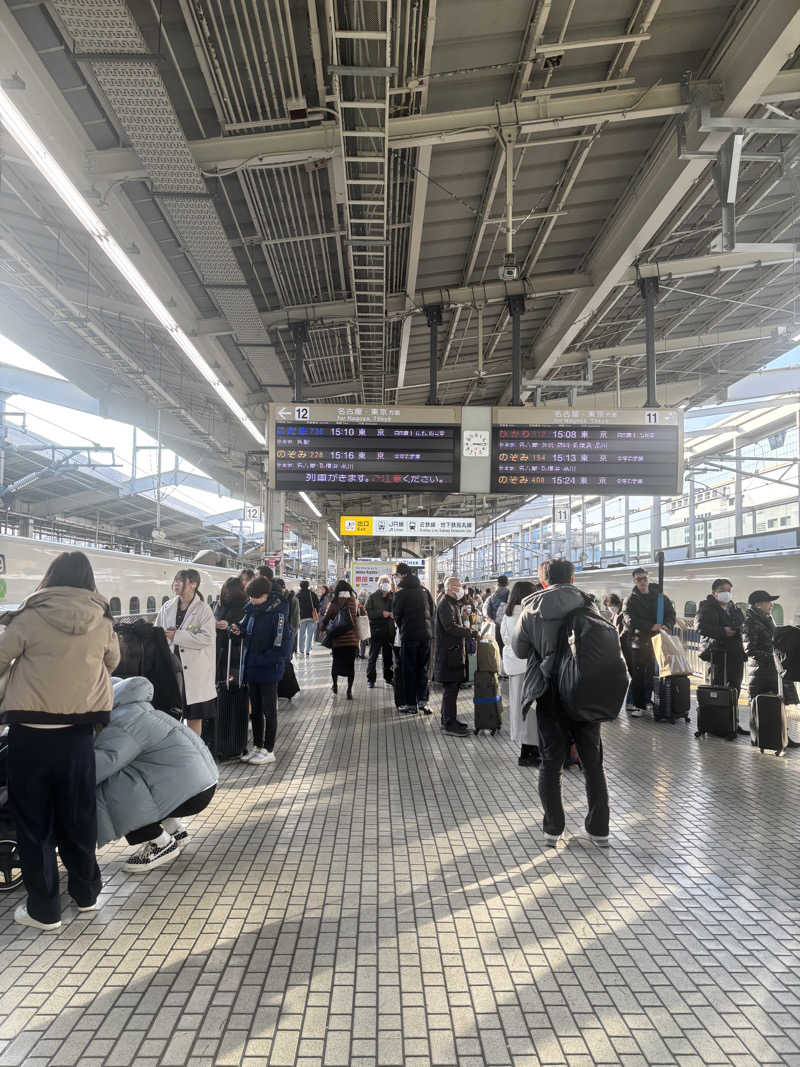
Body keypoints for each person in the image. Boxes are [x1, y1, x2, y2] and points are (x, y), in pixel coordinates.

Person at [0, 551, 120, 931]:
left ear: (51, 576)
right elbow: (113, 661)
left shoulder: (29, 616)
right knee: (78, 816)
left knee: (34, 824)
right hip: (78, 738)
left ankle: (45, 910)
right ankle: (86, 896)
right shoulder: (102, 620)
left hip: (30, 738)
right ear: (88, 579)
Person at [512, 558, 610, 847]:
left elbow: (518, 650)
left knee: (551, 762)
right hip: (584, 690)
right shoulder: (590, 605)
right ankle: (599, 829)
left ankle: (553, 829)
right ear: (572, 577)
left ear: (543, 580)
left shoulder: (532, 608)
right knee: (593, 763)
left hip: (550, 690)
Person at [96, 677, 218, 871]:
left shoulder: (124, 721)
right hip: (203, 785)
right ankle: (174, 829)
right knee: (139, 775)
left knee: (110, 788)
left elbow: (100, 764)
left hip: (189, 793)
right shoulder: (140, 711)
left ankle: (160, 843)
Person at [234, 576, 293, 764]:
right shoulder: (252, 611)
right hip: (252, 667)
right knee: (256, 710)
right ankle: (257, 746)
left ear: (266, 595)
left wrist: (261, 659)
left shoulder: (279, 614)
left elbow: (281, 646)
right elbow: (246, 630)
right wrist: (236, 630)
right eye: (250, 597)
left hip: (269, 668)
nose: (251, 600)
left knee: (269, 710)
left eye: (255, 597)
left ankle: (269, 750)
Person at [156, 569, 217, 736]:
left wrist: (177, 636)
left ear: (193, 584)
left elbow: (207, 638)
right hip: (171, 668)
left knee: (194, 716)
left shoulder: (203, 610)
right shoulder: (167, 606)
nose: (176, 583)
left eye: (181, 581)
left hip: (194, 672)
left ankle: (195, 753)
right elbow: (157, 630)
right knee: (172, 713)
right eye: (175, 580)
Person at [622, 567, 675, 717]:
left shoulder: (660, 597)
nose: (643, 582)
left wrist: (667, 625)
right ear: (634, 581)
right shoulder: (630, 600)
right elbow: (629, 619)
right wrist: (650, 626)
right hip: (638, 642)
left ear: (648, 578)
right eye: (639, 579)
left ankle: (646, 701)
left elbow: (670, 613)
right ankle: (638, 705)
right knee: (639, 674)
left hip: (657, 640)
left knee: (652, 673)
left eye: (644, 578)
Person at [501, 580, 540, 765]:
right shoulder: (528, 614)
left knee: (518, 707)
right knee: (531, 708)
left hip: (514, 665)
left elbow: (503, 637)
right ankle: (529, 752)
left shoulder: (508, 614)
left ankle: (526, 749)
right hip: (527, 665)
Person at [433, 576, 475, 736]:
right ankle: (448, 724)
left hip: (453, 652)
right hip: (448, 654)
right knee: (450, 689)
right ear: (450, 588)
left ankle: (450, 719)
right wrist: (468, 632)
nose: (461, 590)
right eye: (458, 587)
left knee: (453, 689)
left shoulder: (451, 604)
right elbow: (450, 627)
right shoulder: (445, 604)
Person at [743, 591, 799, 706]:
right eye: (768, 602)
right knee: (762, 707)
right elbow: (750, 650)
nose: (771, 605)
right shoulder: (750, 623)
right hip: (761, 674)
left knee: (776, 706)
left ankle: (778, 724)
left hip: (771, 672)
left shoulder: (767, 619)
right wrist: (774, 658)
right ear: (758, 604)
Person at [392, 562, 435, 715]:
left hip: (409, 636)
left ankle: (411, 704)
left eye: (396, 575)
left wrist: (404, 627)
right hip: (426, 636)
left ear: (402, 575)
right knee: (423, 669)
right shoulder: (424, 590)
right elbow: (432, 610)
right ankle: (423, 701)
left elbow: (397, 615)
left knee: (408, 670)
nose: (396, 578)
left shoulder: (401, 592)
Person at [696, 578, 746, 703]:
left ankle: (732, 720)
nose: (726, 593)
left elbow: (743, 625)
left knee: (735, 688)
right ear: (714, 593)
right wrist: (723, 631)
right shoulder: (706, 607)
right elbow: (700, 627)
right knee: (717, 689)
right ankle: (718, 720)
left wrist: (738, 629)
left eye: (729, 590)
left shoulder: (734, 609)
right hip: (717, 655)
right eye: (722, 590)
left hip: (735, 655)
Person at [323, 581, 360, 698]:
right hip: (352, 641)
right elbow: (360, 615)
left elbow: (326, 618)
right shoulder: (354, 601)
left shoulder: (334, 602)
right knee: (350, 666)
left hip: (338, 641)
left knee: (336, 664)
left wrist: (323, 627)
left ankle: (335, 685)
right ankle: (349, 690)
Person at [603, 592, 634, 710]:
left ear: (616, 603)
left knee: (632, 675)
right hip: (619, 650)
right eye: (607, 606)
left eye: (610, 605)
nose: (609, 608)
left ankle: (631, 702)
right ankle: (630, 702)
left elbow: (623, 632)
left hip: (626, 648)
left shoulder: (622, 615)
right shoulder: (614, 615)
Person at [214, 576, 247, 683]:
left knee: (230, 680)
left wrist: (228, 625)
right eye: (225, 590)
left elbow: (242, 627)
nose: (226, 594)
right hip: (217, 647)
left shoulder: (244, 607)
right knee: (217, 678)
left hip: (233, 651)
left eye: (229, 591)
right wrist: (215, 624)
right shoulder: (218, 604)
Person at [366, 576, 395, 688]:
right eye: (384, 582)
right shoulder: (373, 597)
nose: (386, 584)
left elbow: (398, 609)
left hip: (389, 631)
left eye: (387, 582)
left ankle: (388, 678)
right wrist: (381, 613)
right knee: (373, 656)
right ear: (379, 585)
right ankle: (371, 679)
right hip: (376, 630)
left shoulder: (393, 597)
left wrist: (394, 614)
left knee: (388, 657)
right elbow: (368, 612)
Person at [485, 575, 511, 655]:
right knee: (508, 647)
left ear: (498, 584)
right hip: (508, 624)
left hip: (496, 625)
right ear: (507, 583)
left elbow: (488, 613)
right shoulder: (510, 594)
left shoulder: (492, 596)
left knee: (498, 647)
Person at [297, 580, 320, 656]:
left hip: (302, 617)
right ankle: (307, 650)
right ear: (308, 586)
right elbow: (317, 605)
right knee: (310, 635)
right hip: (311, 617)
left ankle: (301, 649)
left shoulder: (298, 595)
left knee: (301, 634)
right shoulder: (312, 594)